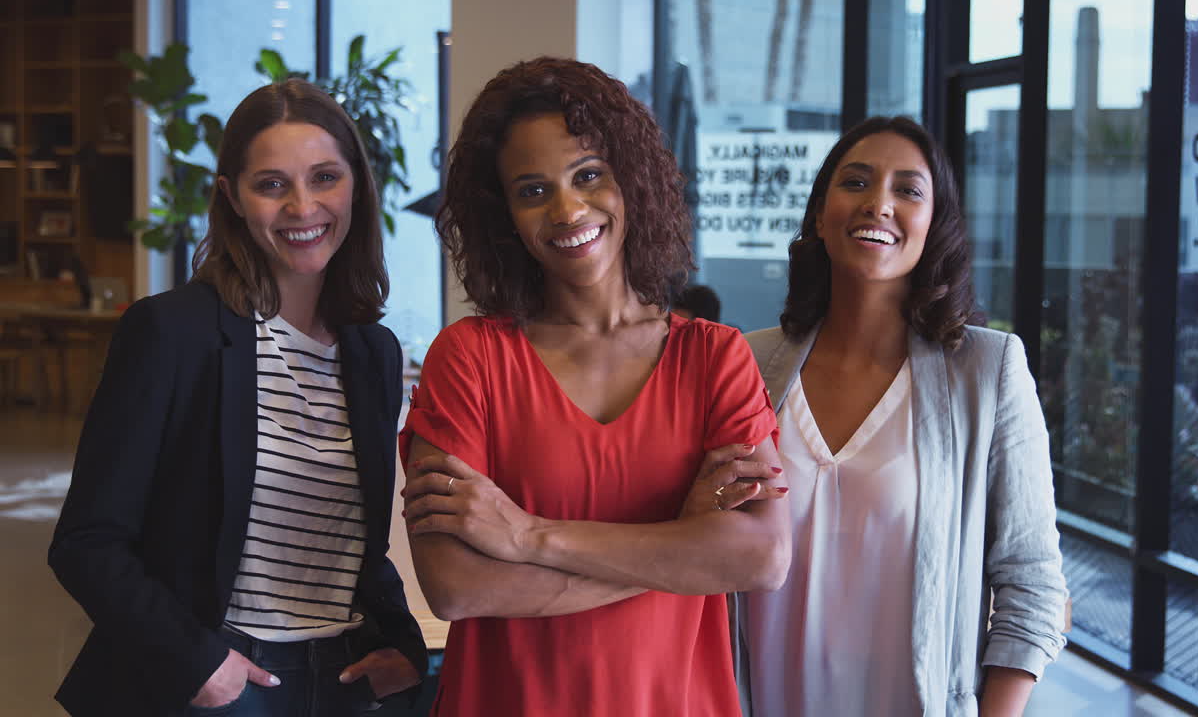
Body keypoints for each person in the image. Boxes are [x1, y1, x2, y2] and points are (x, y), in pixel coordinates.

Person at [398, 57, 791, 717]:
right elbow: (457, 585)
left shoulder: (716, 358)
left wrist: (528, 538)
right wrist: (681, 544)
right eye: (532, 190)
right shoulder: (469, 359)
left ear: (630, 181)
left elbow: (759, 556)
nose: (567, 209)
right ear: (506, 216)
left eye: (588, 176)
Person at [48, 79, 428, 716]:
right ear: (232, 196)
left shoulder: (373, 352)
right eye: (272, 184)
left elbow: (356, 542)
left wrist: (406, 647)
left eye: (325, 177)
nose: (303, 207)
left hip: (340, 677)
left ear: (357, 185)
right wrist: (196, 661)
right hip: (218, 679)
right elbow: (87, 543)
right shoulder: (173, 333)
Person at [738, 116, 1068, 716]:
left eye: (908, 190)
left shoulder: (987, 371)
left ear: (933, 224)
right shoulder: (747, 364)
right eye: (855, 182)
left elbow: (1032, 583)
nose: (878, 204)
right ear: (819, 212)